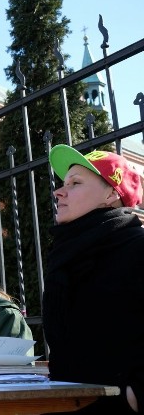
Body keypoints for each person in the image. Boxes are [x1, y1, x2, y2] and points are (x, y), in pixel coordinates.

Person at [44, 144, 144, 413]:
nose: (58, 192)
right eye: (63, 183)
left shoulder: (137, 248)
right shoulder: (67, 254)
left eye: (75, 183)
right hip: (67, 403)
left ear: (111, 193)